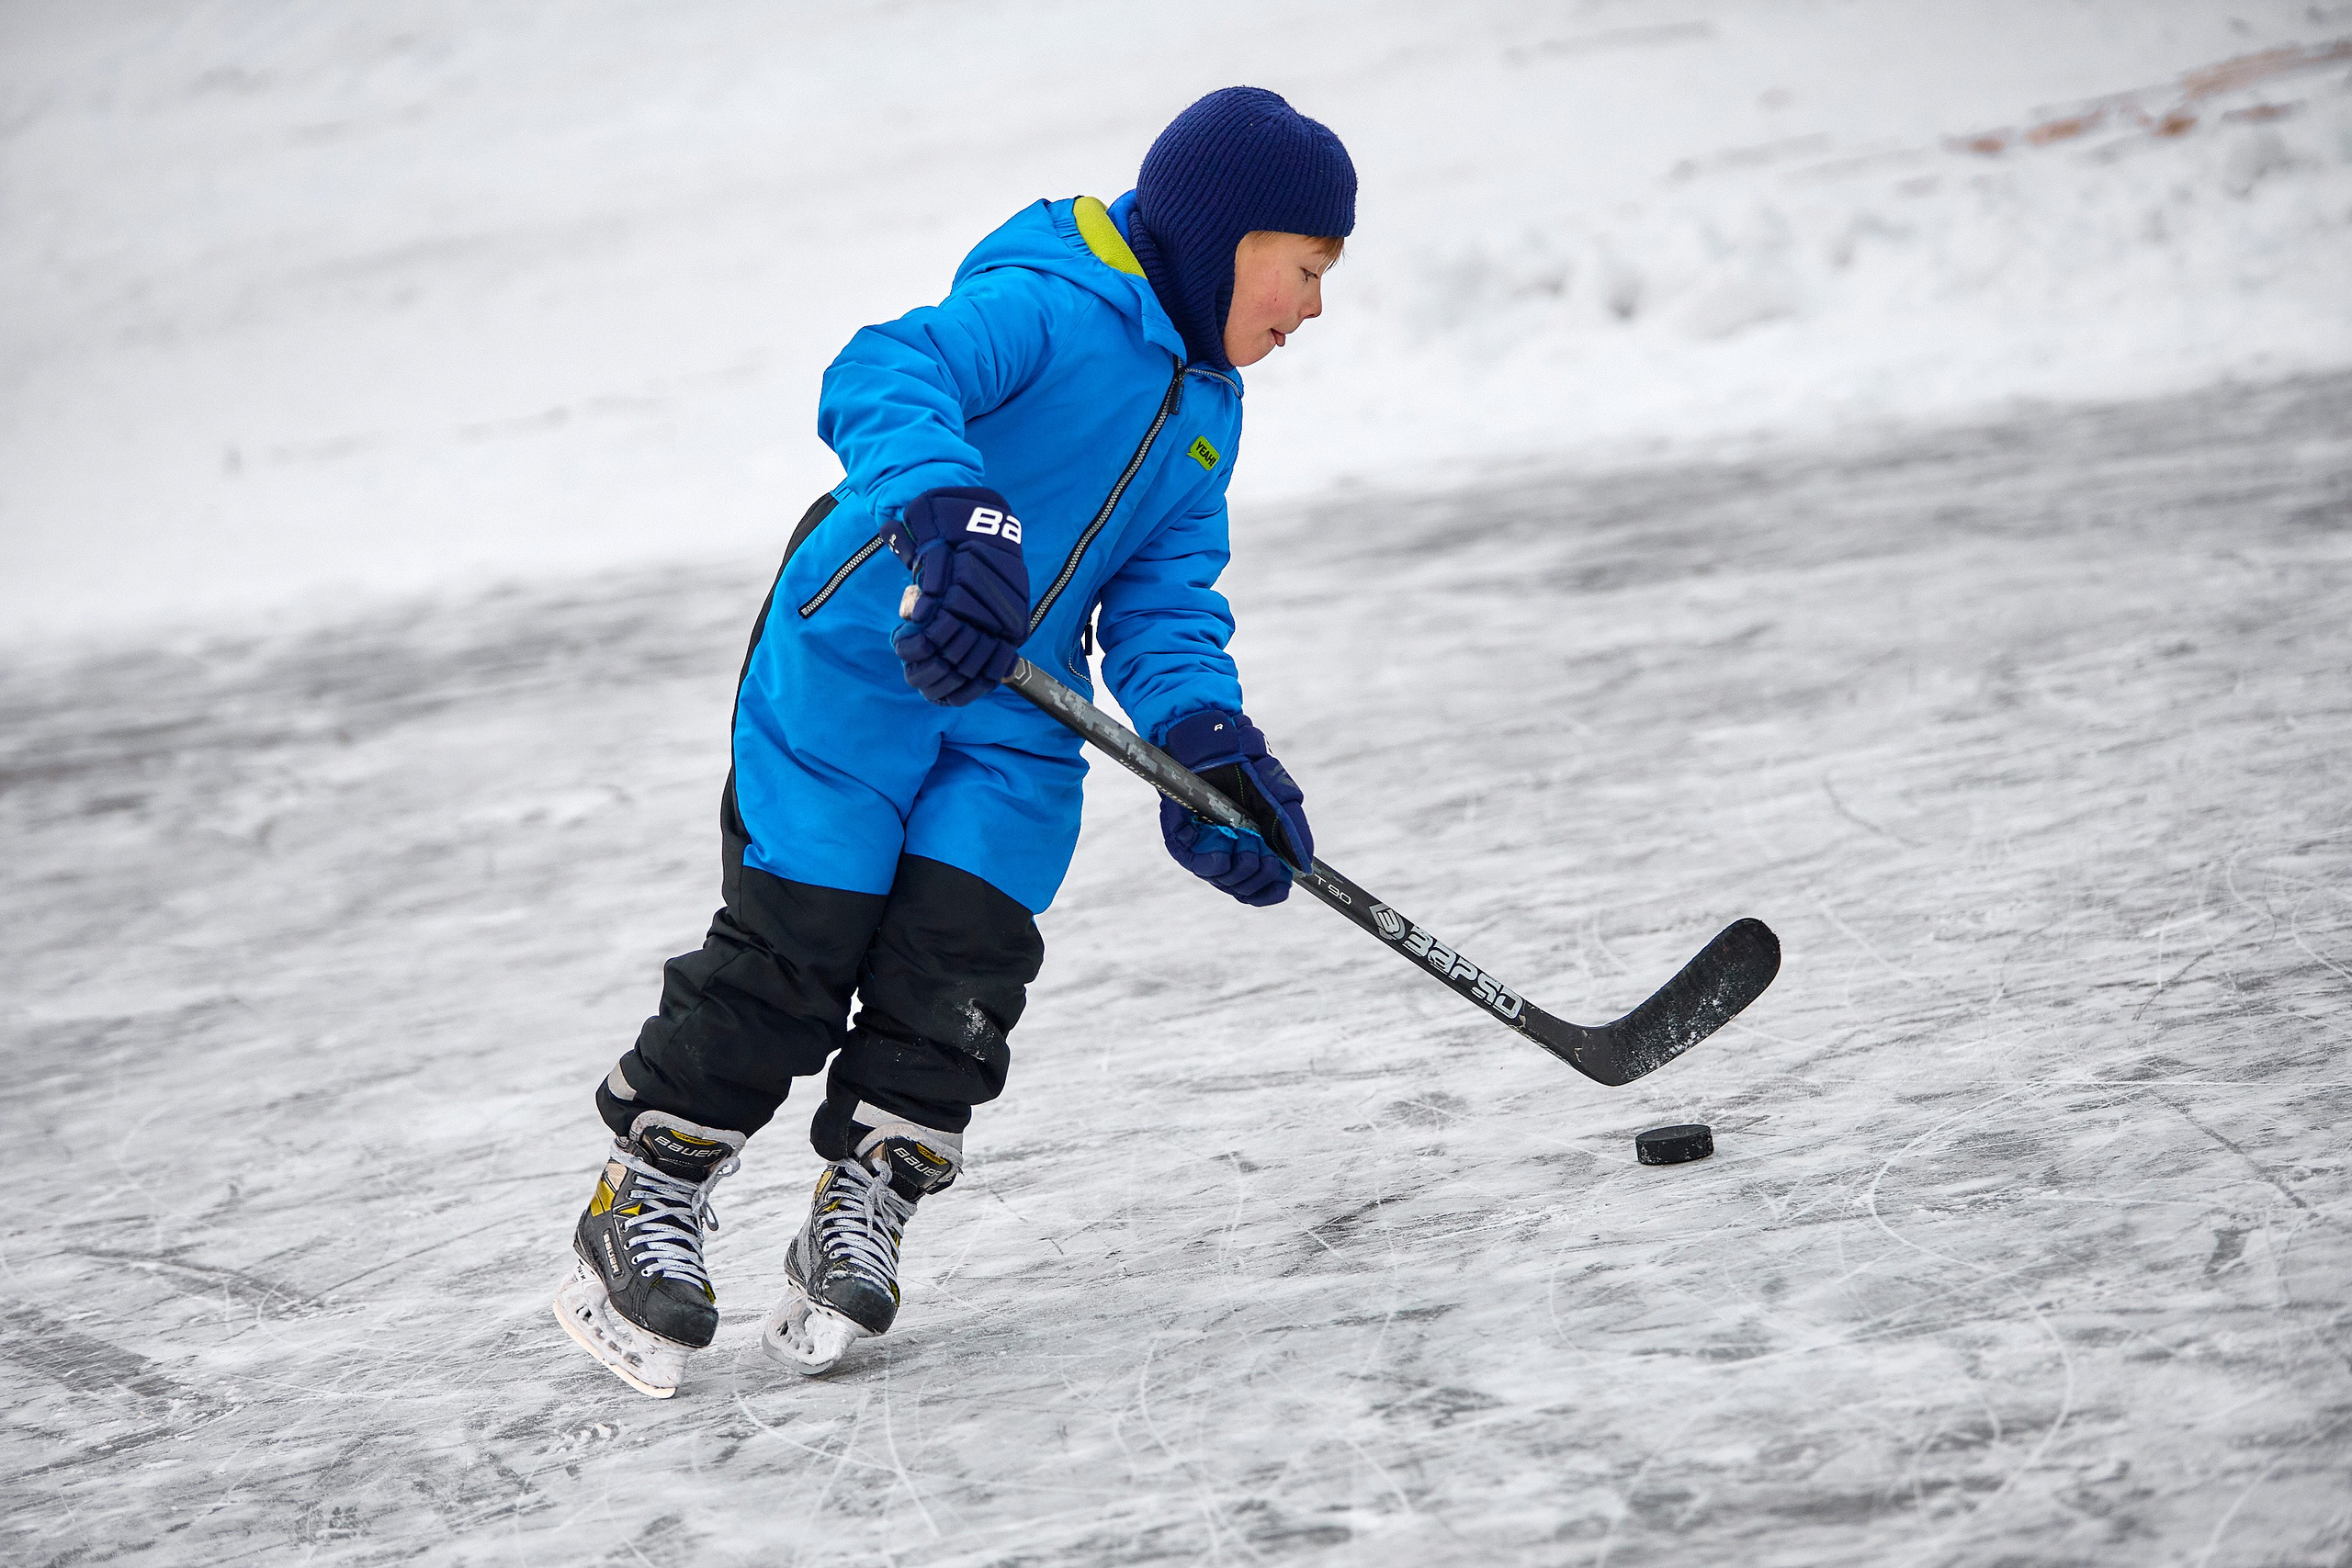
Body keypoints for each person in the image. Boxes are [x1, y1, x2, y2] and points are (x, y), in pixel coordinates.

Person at [554, 85, 1355, 1398]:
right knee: (794, 952)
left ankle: (863, 1200)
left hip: (1018, 711)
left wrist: (1205, 740)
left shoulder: (1212, 408)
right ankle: (645, 1192)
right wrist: (954, 512)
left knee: (961, 970)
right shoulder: (1047, 303)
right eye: (1307, 268)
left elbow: (1165, 597)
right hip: (859, 663)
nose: (1316, 306)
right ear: (1224, 238)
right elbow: (882, 367)